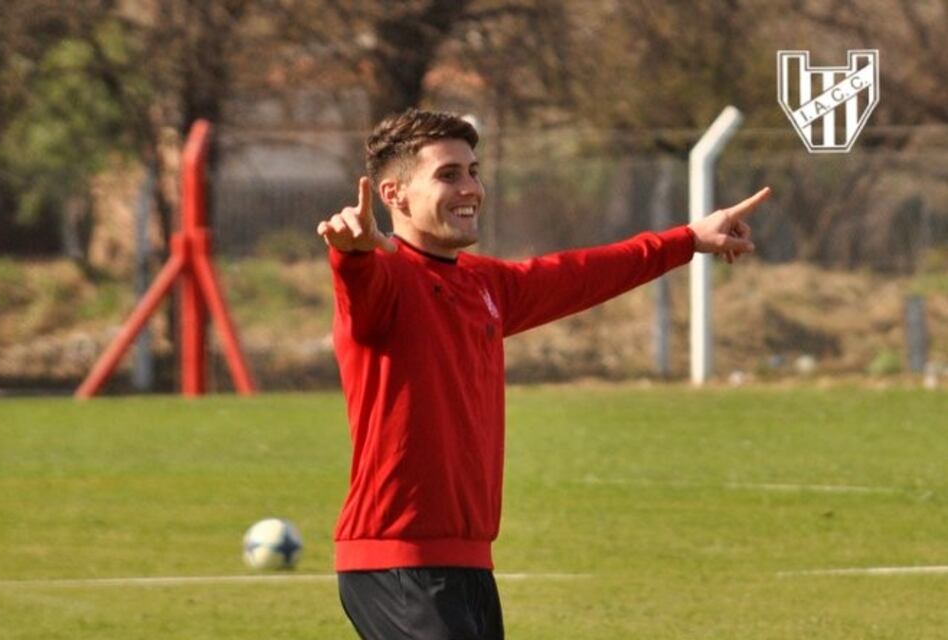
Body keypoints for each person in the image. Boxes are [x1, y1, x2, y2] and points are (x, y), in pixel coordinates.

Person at [317, 108, 770, 640]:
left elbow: (582, 274)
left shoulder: (485, 284)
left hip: (468, 564)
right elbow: (359, 279)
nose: (471, 188)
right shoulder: (385, 277)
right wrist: (351, 252)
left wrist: (689, 238)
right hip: (398, 561)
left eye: (473, 171)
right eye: (448, 174)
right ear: (393, 195)